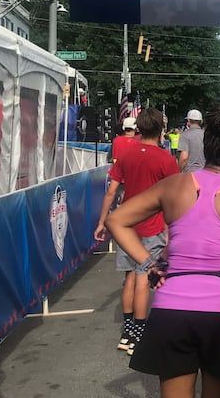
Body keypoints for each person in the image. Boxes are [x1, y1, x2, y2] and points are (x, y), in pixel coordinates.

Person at [106, 104, 220, 397]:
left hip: (172, 308)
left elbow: (116, 220)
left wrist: (150, 263)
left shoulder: (175, 186)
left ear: (205, 141)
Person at [94, 108, 179, 356]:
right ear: (161, 130)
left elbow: (112, 191)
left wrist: (103, 221)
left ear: (139, 128)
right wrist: (172, 231)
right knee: (144, 278)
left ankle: (127, 331)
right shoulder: (165, 159)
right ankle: (138, 334)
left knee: (130, 277)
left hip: (125, 225)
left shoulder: (127, 154)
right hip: (151, 225)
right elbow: (172, 198)